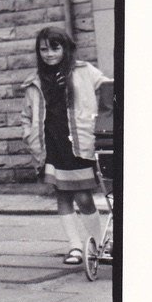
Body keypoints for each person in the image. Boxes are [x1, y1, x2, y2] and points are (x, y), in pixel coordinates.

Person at [19, 26, 112, 266]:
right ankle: (74, 247)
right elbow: (26, 116)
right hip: (50, 145)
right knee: (62, 196)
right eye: (43, 50)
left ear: (65, 47)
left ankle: (98, 242)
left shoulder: (84, 71)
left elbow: (110, 94)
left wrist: (101, 127)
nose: (49, 54)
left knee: (83, 197)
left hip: (78, 144)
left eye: (54, 48)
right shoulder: (35, 82)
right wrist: (29, 136)